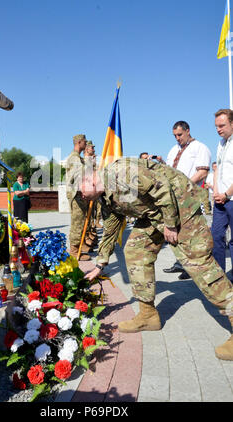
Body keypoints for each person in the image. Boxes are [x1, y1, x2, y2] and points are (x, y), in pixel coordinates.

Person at [78, 157, 233, 360]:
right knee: (135, 251)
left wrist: (170, 224)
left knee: (199, 265)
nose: (81, 197)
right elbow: (110, 228)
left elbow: (162, 187)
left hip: (179, 207)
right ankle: (148, 315)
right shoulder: (103, 196)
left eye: (80, 191)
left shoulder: (122, 173)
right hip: (154, 214)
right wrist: (100, 264)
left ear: (90, 180)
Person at [158, 121, 211, 279]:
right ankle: (180, 262)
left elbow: (202, 172)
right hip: (174, 196)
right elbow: (168, 170)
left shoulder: (200, 148)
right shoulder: (174, 149)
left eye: (180, 135)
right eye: (175, 135)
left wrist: (183, 185)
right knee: (178, 230)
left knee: (191, 232)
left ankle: (193, 266)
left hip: (190, 196)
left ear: (188, 131)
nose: (177, 138)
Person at [211, 109, 233, 282]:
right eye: (216, 126)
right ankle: (219, 278)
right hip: (221, 200)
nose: (218, 129)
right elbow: (217, 169)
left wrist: (227, 194)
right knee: (216, 236)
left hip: (231, 198)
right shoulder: (221, 143)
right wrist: (217, 192)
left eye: (222, 125)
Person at [65, 134, 91, 261]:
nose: (86, 144)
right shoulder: (74, 158)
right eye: (84, 142)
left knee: (80, 222)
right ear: (79, 142)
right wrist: (88, 161)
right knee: (77, 222)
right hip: (76, 195)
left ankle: (77, 248)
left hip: (78, 194)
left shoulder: (78, 158)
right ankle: (74, 252)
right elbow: (82, 174)